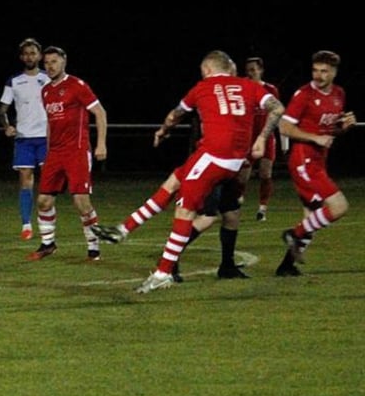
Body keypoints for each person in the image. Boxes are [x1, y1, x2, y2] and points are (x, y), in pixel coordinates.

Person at [121, 50, 283, 293]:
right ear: (231, 69)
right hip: (217, 161)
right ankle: (169, 263)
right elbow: (277, 108)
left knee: (231, 214)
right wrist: (262, 138)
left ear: (207, 70)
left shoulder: (205, 87)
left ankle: (226, 265)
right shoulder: (247, 88)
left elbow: (175, 114)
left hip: (225, 160)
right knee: (206, 215)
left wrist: (164, 130)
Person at [276, 50, 356, 277]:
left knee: (312, 215)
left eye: (324, 71)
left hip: (319, 161)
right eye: (315, 70)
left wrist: (344, 127)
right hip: (303, 159)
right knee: (338, 207)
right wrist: (314, 138)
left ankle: (286, 266)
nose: (318, 75)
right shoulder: (304, 94)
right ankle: (294, 234)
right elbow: (284, 127)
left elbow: (330, 131)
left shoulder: (339, 94)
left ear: (334, 72)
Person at [26, 46, 108, 262]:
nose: (50, 66)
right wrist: (48, 148)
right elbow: (51, 124)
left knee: (81, 202)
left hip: (77, 151)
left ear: (64, 61)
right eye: (46, 63)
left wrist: (101, 145)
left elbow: (100, 112)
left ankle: (93, 248)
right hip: (55, 153)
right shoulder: (46, 91)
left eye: (54, 62)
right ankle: (48, 244)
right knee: (43, 201)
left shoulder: (77, 85)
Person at [0, 38, 50, 241]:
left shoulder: (48, 78)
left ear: (39, 56)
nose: (29, 56)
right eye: (26, 53)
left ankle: (45, 221)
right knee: (25, 181)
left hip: (46, 137)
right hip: (24, 139)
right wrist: (7, 125)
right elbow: (2, 109)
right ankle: (26, 224)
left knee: (48, 182)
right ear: (21, 57)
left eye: (33, 53)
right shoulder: (14, 81)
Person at [237, 57, 282, 221]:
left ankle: (262, 208)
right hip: (248, 140)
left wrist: (281, 138)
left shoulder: (270, 90)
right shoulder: (242, 88)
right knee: (242, 176)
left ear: (261, 70)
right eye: (248, 70)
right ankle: (238, 199)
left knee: (265, 174)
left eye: (254, 69)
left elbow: (277, 114)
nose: (251, 73)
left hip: (266, 138)